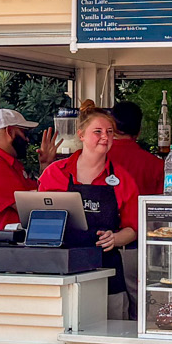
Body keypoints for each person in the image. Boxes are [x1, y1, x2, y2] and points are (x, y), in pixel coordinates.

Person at [37, 106, 143, 320]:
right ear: (81, 135)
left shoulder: (123, 179)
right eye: (98, 131)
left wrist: (115, 238)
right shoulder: (54, 173)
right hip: (62, 270)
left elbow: (133, 228)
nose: (105, 137)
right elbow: (37, 220)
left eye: (110, 132)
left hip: (108, 269)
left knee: (113, 329)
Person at [0, 108, 43, 241]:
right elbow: (31, 208)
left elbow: (37, 196)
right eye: (24, 133)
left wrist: (45, 166)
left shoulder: (7, 162)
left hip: (6, 245)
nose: (27, 139)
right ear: (10, 132)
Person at [105, 101, 166, 202]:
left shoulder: (96, 159)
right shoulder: (157, 166)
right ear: (139, 130)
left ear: (112, 127)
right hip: (142, 212)